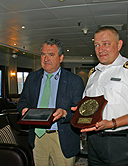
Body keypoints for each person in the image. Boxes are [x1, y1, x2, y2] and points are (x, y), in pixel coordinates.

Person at [74, 26, 128, 166]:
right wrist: (81, 111)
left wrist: (112, 123)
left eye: (106, 43)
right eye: (97, 45)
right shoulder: (94, 74)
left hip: (120, 141)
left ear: (119, 44)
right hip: (94, 141)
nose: (100, 49)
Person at [17, 38, 84, 166]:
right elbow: (23, 101)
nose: (46, 58)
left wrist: (64, 113)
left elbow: (80, 112)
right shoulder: (32, 78)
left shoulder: (74, 81)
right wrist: (24, 109)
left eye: (51, 55)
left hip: (61, 138)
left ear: (61, 58)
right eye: (43, 54)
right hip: (38, 137)